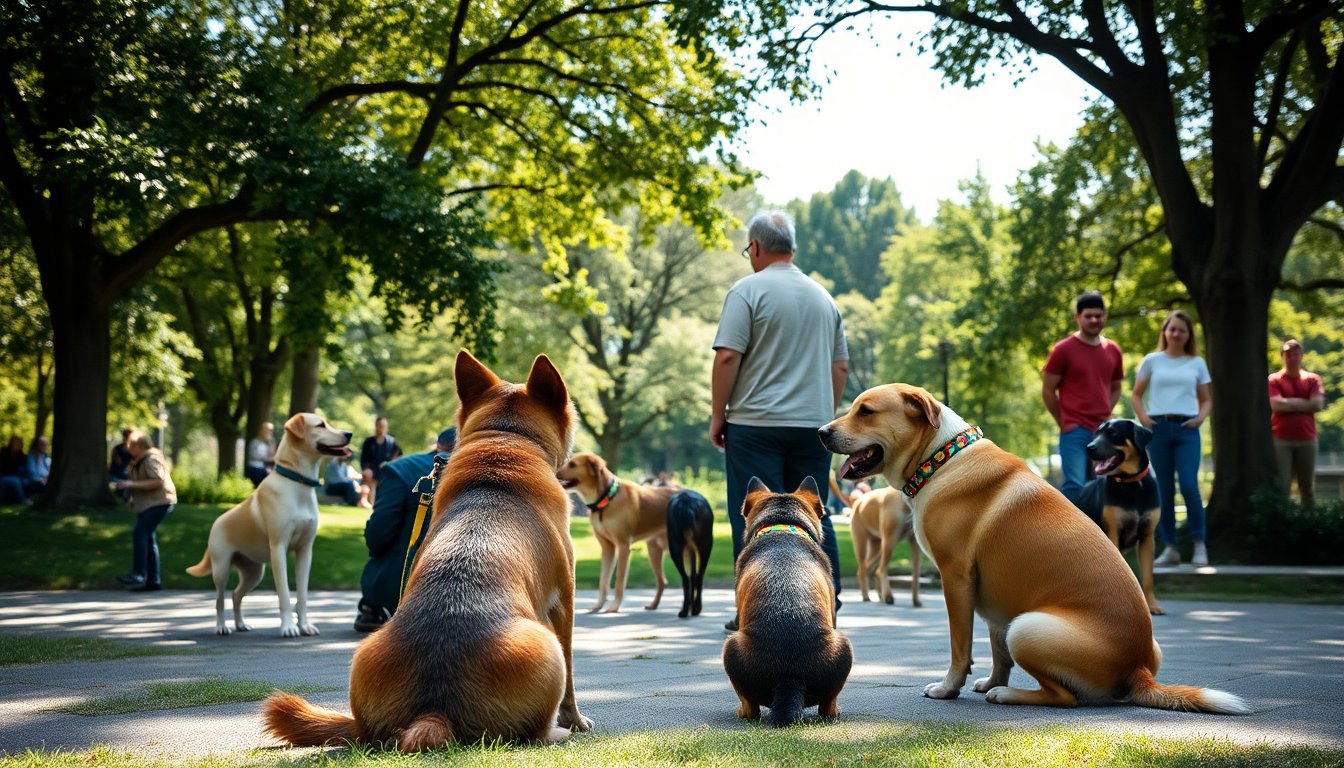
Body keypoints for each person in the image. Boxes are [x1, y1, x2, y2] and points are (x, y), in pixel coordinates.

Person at [710, 210, 849, 633]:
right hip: (814, 425)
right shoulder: (824, 298)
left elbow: (728, 355)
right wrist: (822, 412)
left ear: (754, 246)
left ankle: (752, 606)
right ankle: (827, 601)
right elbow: (839, 368)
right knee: (813, 514)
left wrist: (719, 413)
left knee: (755, 515)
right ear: (791, 246)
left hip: (755, 423)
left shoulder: (746, 291)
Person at [1131, 310, 1212, 566]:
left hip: (1187, 429)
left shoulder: (1196, 363)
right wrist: (1143, 418)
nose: (1176, 334)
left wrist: (1199, 419)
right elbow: (1136, 394)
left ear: (1189, 335)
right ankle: (1170, 548)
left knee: (1189, 485)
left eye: (1182, 330)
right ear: (1165, 332)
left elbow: (1206, 399)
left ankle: (1199, 545)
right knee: (1163, 490)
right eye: (1172, 329)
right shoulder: (1152, 360)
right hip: (1159, 430)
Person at [355, 427, 456, 631]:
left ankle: (373, 608)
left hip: (405, 588)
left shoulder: (400, 470)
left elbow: (377, 536)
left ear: (438, 445)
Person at [1042, 290, 1124, 505]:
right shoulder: (1063, 350)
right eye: (1089, 316)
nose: (1094, 320)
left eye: (1099, 315)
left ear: (1104, 316)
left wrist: (1107, 410)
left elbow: (1116, 387)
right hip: (1074, 430)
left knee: (1104, 484)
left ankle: (1101, 537)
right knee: (1075, 485)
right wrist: (1063, 421)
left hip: (1104, 430)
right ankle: (1068, 537)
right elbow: (1048, 390)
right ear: (1078, 317)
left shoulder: (1113, 350)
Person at [114, 432, 177, 592]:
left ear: (138, 446)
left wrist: (131, 485)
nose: (127, 448)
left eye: (130, 445)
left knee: (139, 533)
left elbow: (158, 480)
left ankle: (139, 573)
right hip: (149, 504)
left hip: (159, 502)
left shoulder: (151, 459)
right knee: (148, 538)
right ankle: (153, 581)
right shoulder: (140, 461)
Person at [1269, 339, 1326, 508]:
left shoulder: (1313, 379)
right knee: (1282, 485)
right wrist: (1304, 403)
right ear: (1282, 357)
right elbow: (1276, 405)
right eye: (1288, 354)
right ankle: (1282, 522)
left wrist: (1288, 403)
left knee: (1307, 486)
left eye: (1296, 353)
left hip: (1308, 438)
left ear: (1302, 356)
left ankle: (1309, 524)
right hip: (1281, 439)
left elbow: (1317, 404)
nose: (1292, 357)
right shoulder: (1274, 380)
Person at [359, 416, 400, 501]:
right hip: (371, 470)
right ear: (376, 426)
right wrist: (366, 469)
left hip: (386, 469)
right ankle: (368, 501)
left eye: (383, 426)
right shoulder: (368, 442)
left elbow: (399, 458)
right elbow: (363, 459)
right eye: (380, 425)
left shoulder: (392, 442)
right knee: (367, 475)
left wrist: (388, 463)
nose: (381, 428)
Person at [243, 422, 275, 488]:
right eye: (267, 430)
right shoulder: (255, 443)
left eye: (270, 431)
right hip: (256, 469)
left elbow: (272, 455)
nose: (269, 432)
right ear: (261, 431)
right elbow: (263, 458)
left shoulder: (270, 443)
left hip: (264, 468)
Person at [0, 435, 27, 504]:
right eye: (15, 443)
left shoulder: (22, 456)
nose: (16, 445)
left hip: (18, 477)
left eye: (18, 443)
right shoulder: (4, 452)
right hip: (4, 476)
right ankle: (23, 500)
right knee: (16, 482)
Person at [109, 427, 134, 501]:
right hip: (117, 473)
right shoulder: (117, 448)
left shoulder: (132, 449)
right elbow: (115, 462)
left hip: (126, 473)